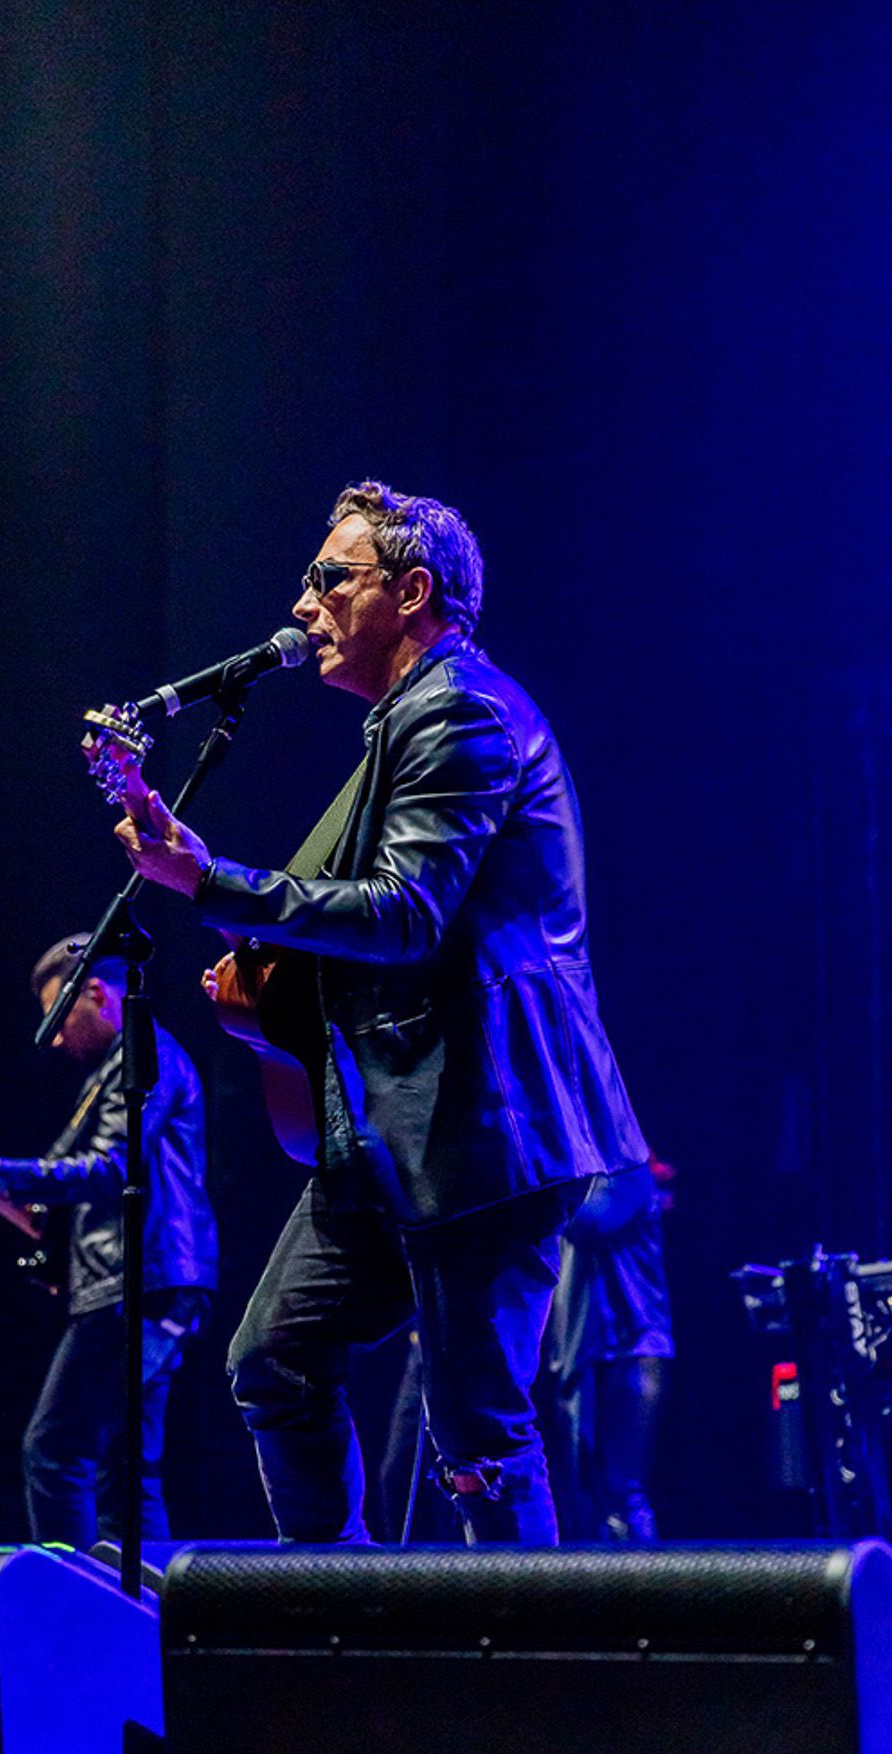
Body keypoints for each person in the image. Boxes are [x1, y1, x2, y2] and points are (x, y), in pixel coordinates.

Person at [113, 479, 646, 1544]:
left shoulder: (461, 708)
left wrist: (211, 881)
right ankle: (338, 1623)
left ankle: (530, 1691)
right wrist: (244, 952)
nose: (304, 604)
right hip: (392, 1125)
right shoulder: (396, 727)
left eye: (328, 579)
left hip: (485, 1122)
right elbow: (366, 926)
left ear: (409, 591)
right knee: (273, 1360)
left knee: (480, 1435)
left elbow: (405, 914)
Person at [0, 935, 217, 1547]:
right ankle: (142, 1614)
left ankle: (76, 1602)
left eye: (57, 1019)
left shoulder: (145, 1056)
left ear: (95, 991)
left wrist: (0, 1170)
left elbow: (114, 1168)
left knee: (56, 1450)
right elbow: (53, 1209)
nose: (56, 1039)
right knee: (125, 1465)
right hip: (140, 1279)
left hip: (142, 1280)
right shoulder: (113, 1074)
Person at [541, 1152, 676, 1543]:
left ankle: (640, 1593)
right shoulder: (578, 1176)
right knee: (584, 1494)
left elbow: (594, 1219)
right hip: (584, 1353)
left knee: (623, 1490)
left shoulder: (630, 1171)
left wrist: (529, 1177)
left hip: (633, 1349)